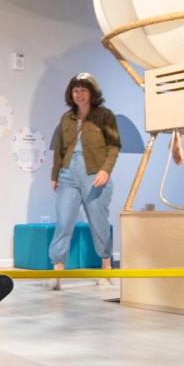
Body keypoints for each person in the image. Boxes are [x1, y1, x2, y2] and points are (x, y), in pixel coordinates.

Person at [49, 73, 120, 290]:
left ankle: (106, 267)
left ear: (92, 93)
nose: (79, 94)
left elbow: (114, 146)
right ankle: (57, 271)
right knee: (63, 221)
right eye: (75, 90)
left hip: (94, 174)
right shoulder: (66, 118)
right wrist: (55, 175)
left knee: (98, 222)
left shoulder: (105, 116)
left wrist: (106, 170)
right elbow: (59, 149)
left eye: (83, 90)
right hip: (68, 174)